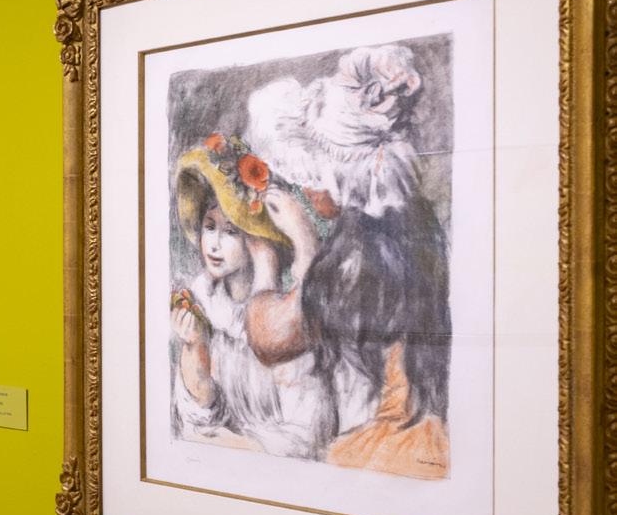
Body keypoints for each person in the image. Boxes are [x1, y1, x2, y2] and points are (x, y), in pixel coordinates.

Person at [243, 45, 451, 480]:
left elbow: (270, 339)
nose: (307, 191)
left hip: (389, 445)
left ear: (336, 177)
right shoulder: (416, 225)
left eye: (310, 179)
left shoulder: (357, 253)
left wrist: (291, 248)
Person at [170, 137, 333, 459]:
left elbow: (308, 436)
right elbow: (194, 422)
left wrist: (222, 445)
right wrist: (193, 349)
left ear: (258, 241)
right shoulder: (205, 307)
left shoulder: (286, 319)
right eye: (209, 227)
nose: (214, 244)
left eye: (231, 231)